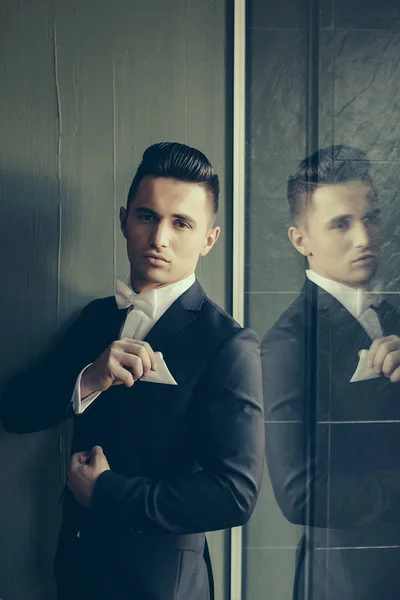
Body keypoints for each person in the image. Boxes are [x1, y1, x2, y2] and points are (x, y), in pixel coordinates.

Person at [1, 142, 265, 600]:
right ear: (125, 219)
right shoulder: (96, 318)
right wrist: (89, 378)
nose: (159, 237)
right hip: (75, 573)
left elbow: (235, 495)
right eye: (147, 216)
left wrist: (106, 492)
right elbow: (15, 411)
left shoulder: (229, 345)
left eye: (181, 222)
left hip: (161, 586)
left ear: (209, 239)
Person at [262, 145, 400, 600]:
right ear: (300, 240)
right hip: (351, 583)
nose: (363, 237)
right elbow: (299, 493)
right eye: (341, 223)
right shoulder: (287, 344)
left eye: (371, 218)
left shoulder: (396, 316)